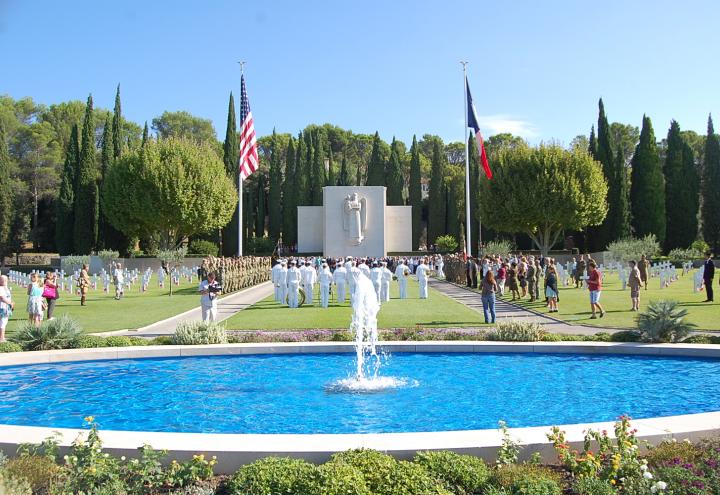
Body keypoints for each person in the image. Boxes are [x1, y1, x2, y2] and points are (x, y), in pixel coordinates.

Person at [0, 275, 14, 342]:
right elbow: (2, 298)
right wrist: (10, 303)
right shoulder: (1, 288)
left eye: (6, 280)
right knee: (3, 321)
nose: (5, 281)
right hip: (3, 307)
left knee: (4, 322)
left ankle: (2, 337)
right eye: (3, 280)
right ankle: (2, 338)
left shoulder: (5, 288)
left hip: (6, 306)